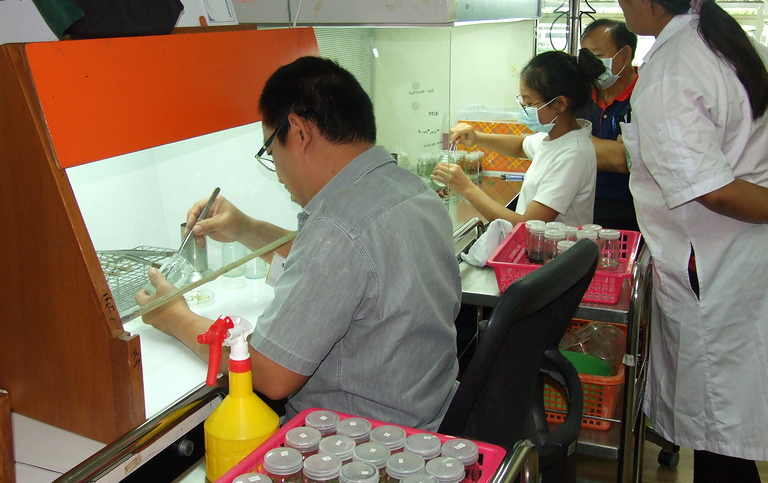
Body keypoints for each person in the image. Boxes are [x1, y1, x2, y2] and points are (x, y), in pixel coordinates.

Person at [136, 56, 462, 430]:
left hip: (362, 444)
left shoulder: (337, 228)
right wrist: (245, 228)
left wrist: (173, 315)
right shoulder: (411, 190)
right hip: (430, 424)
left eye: (271, 151)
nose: (277, 173)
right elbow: (349, 269)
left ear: (300, 132)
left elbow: (269, 374)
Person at [616, 0, 768, 483]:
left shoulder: (672, 70)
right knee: (725, 434)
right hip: (737, 259)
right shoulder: (726, 40)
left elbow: (715, 190)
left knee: (719, 433)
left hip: (713, 267)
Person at [433, 49, 601, 226]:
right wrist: (477, 138)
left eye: (529, 103)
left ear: (559, 104)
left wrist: (467, 188)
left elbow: (527, 225)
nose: (524, 108)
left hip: (554, 244)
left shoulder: (573, 154)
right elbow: (521, 146)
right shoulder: (555, 137)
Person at [580, 19, 640, 232]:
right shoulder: (581, 95)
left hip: (629, 214)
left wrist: (573, 140)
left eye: (597, 56)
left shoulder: (645, 97)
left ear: (625, 54)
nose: (591, 64)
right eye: (587, 57)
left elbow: (624, 160)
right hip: (582, 208)